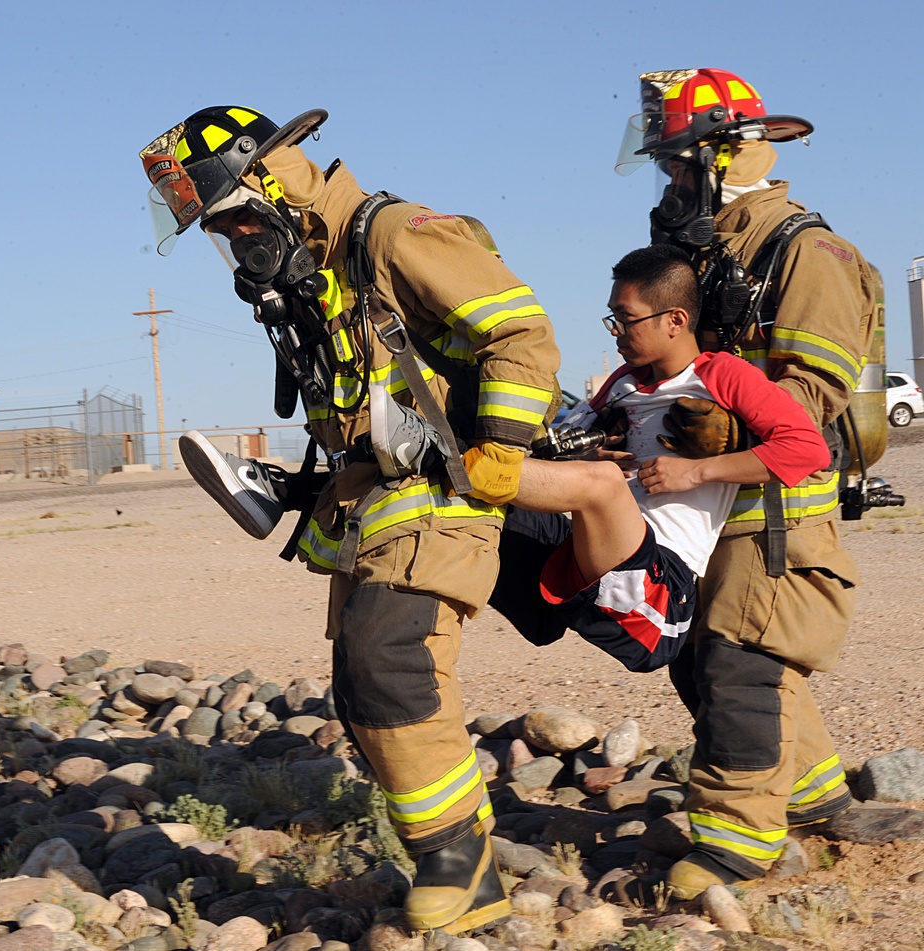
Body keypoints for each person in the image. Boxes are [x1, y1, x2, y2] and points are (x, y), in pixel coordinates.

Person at [138, 105, 560, 933]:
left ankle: (459, 868)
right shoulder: (312, 275)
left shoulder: (396, 234)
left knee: (386, 656)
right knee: (360, 685)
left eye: (235, 221)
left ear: (272, 177)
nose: (238, 245)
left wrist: (501, 445)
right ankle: (461, 841)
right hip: (373, 500)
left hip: (451, 483)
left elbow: (521, 332)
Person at [611, 68, 877, 900]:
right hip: (707, 504)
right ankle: (812, 794)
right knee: (698, 659)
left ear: (727, 155)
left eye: (681, 166)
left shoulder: (809, 252)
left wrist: (721, 427)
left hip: (773, 511)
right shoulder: (710, 250)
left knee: (738, 665)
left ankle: (736, 845)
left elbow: (815, 393)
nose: (672, 183)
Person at [492, 244, 828, 682]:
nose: (616, 331)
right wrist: (582, 452)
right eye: (612, 318)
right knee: (490, 512)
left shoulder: (722, 374)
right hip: (588, 549)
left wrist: (696, 471)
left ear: (675, 320)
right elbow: (557, 443)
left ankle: (468, 467)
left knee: (601, 483)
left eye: (626, 318)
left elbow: (807, 449)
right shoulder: (621, 382)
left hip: (660, 586)